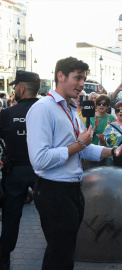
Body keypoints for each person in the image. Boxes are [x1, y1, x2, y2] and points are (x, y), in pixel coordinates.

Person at [26, 56, 122, 270]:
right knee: (59, 254)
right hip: (53, 191)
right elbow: (39, 159)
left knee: (65, 251)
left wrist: (114, 150)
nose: (82, 84)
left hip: (72, 190)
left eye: (84, 79)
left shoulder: (70, 110)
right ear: (60, 76)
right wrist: (78, 145)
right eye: (77, 78)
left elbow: (85, 147)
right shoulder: (43, 109)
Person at [0, 70, 41, 270]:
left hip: (15, 172)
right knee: (50, 214)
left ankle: (4, 258)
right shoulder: (46, 110)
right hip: (42, 171)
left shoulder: (8, 114)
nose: (14, 90)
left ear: (22, 89)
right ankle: (56, 252)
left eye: (15, 86)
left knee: (10, 217)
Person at [84, 94, 115, 169]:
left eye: (104, 104)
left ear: (107, 106)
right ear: (96, 105)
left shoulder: (111, 118)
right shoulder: (90, 117)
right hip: (93, 154)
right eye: (99, 104)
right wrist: (95, 127)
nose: (101, 105)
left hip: (106, 153)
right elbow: (86, 136)